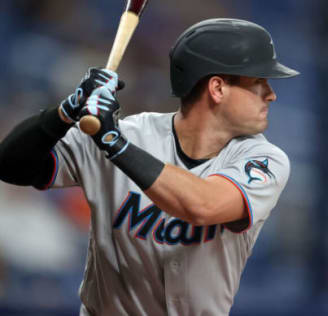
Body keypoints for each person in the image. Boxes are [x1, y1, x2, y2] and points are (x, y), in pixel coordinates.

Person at [0, 18, 299, 315]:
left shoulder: (264, 158)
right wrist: (64, 111)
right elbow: (11, 165)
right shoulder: (128, 134)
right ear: (217, 88)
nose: (271, 94)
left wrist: (115, 145)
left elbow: (203, 205)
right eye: (258, 82)